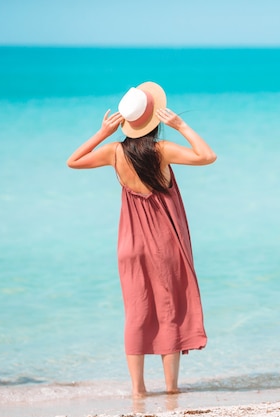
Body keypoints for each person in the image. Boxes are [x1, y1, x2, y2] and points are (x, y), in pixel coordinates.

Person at [67, 81, 216, 397]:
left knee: (135, 312)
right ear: (154, 120)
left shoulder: (113, 153)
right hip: (163, 245)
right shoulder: (161, 151)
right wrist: (182, 125)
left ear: (126, 122)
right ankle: (171, 388)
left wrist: (103, 133)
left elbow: (73, 161)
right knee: (168, 309)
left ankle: (138, 390)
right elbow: (207, 156)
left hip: (129, 246)